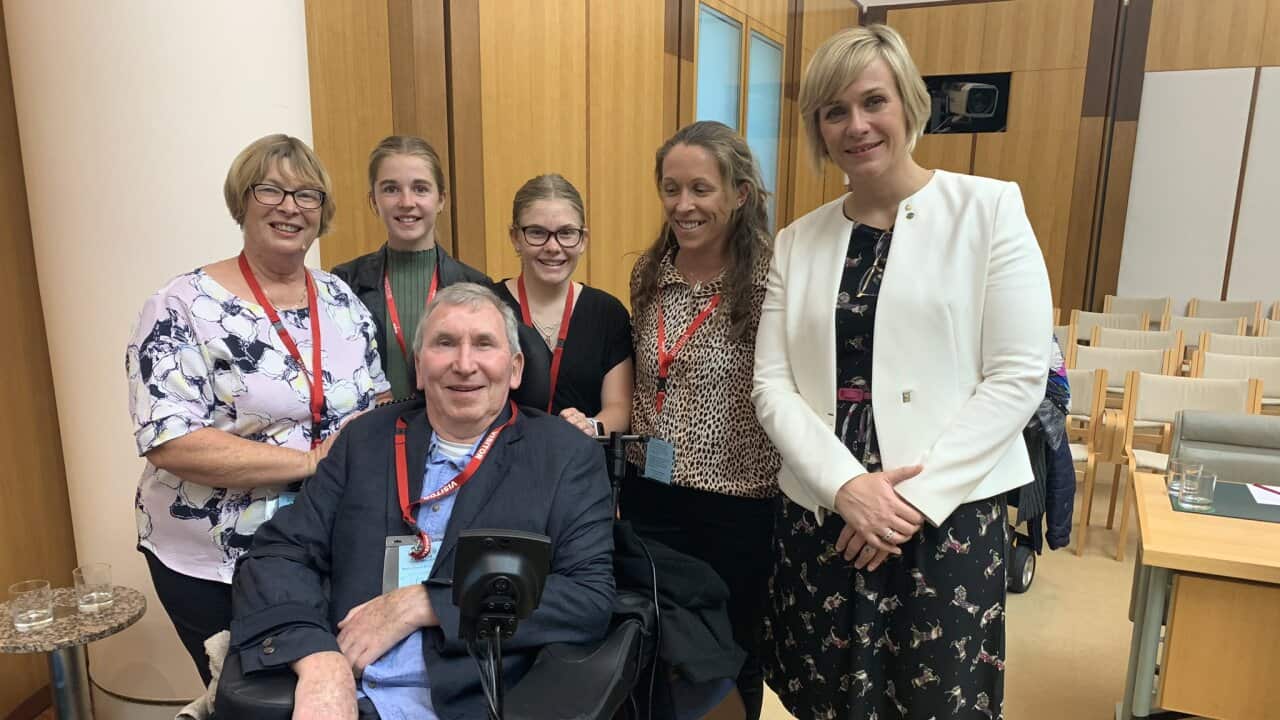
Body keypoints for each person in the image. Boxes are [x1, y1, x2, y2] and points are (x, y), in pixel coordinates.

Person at [751, 25, 1051, 718]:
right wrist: (845, 487)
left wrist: (909, 501)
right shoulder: (796, 240)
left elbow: (1017, 374)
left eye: (873, 101)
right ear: (818, 128)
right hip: (826, 508)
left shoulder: (988, 209)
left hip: (947, 510)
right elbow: (772, 384)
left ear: (909, 104)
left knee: (934, 696)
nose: (856, 125)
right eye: (834, 111)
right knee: (824, 695)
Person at [229, 283, 615, 719]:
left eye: (484, 344)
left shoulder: (565, 455)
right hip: (350, 694)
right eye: (445, 343)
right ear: (418, 366)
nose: (464, 364)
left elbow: (588, 597)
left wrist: (427, 602)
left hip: (476, 702)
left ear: (515, 368)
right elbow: (278, 554)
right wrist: (318, 660)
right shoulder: (365, 441)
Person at [126, 134, 390, 684]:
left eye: (307, 195)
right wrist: (311, 462)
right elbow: (170, 441)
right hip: (216, 559)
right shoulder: (182, 305)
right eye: (270, 190)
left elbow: (376, 399)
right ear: (242, 200)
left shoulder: (340, 299)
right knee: (244, 698)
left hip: (322, 546)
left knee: (322, 692)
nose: (290, 207)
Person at [624, 120, 781, 719]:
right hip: (652, 492)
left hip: (737, 501)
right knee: (664, 645)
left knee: (732, 649)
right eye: (671, 189)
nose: (683, 205)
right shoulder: (650, 274)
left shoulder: (770, 280)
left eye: (700, 189)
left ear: (739, 193)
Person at [331, 136, 489, 400]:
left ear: (441, 200)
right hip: (373, 424)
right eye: (391, 189)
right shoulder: (344, 284)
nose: (406, 202)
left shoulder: (476, 286)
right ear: (374, 201)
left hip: (452, 423)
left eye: (420, 189)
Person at [491, 173, 633, 436]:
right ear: (515, 237)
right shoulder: (487, 308)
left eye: (566, 233)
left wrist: (590, 427)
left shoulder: (608, 313)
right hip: (502, 457)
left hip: (580, 456)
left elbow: (620, 407)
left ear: (583, 240)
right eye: (537, 233)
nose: (553, 247)